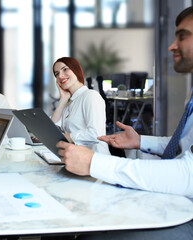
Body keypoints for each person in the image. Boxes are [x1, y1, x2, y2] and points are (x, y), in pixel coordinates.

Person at [58, 7, 193, 239]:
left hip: (185, 209)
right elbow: (183, 147)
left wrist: (95, 163)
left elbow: (187, 175)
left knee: (92, 233)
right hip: (175, 197)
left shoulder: (90, 97)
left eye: (182, 36)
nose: (172, 46)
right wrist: (141, 141)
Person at [50, 57, 110, 155]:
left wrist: (67, 137)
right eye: (56, 74)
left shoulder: (90, 96)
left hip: (96, 161)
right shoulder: (70, 102)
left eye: (65, 69)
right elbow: (51, 128)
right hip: (76, 159)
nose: (60, 76)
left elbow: (95, 134)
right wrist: (63, 99)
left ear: (76, 69)